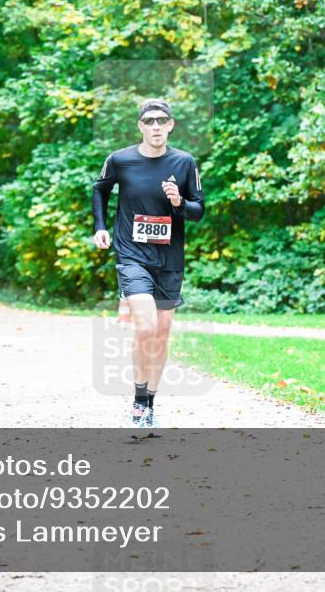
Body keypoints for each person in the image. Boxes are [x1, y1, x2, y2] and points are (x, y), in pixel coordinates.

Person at [91, 98, 204, 428]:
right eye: (149, 121)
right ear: (140, 125)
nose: (156, 126)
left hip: (169, 260)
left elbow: (199, 210)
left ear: (171, 125)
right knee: (146, 327)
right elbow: (99, 189)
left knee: (162, 333)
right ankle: (139, 403)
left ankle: (150, 403)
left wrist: (179, 202)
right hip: (131, 255)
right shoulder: (120, 160)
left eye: (162, 121)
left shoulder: (184, 162)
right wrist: (100, 226)